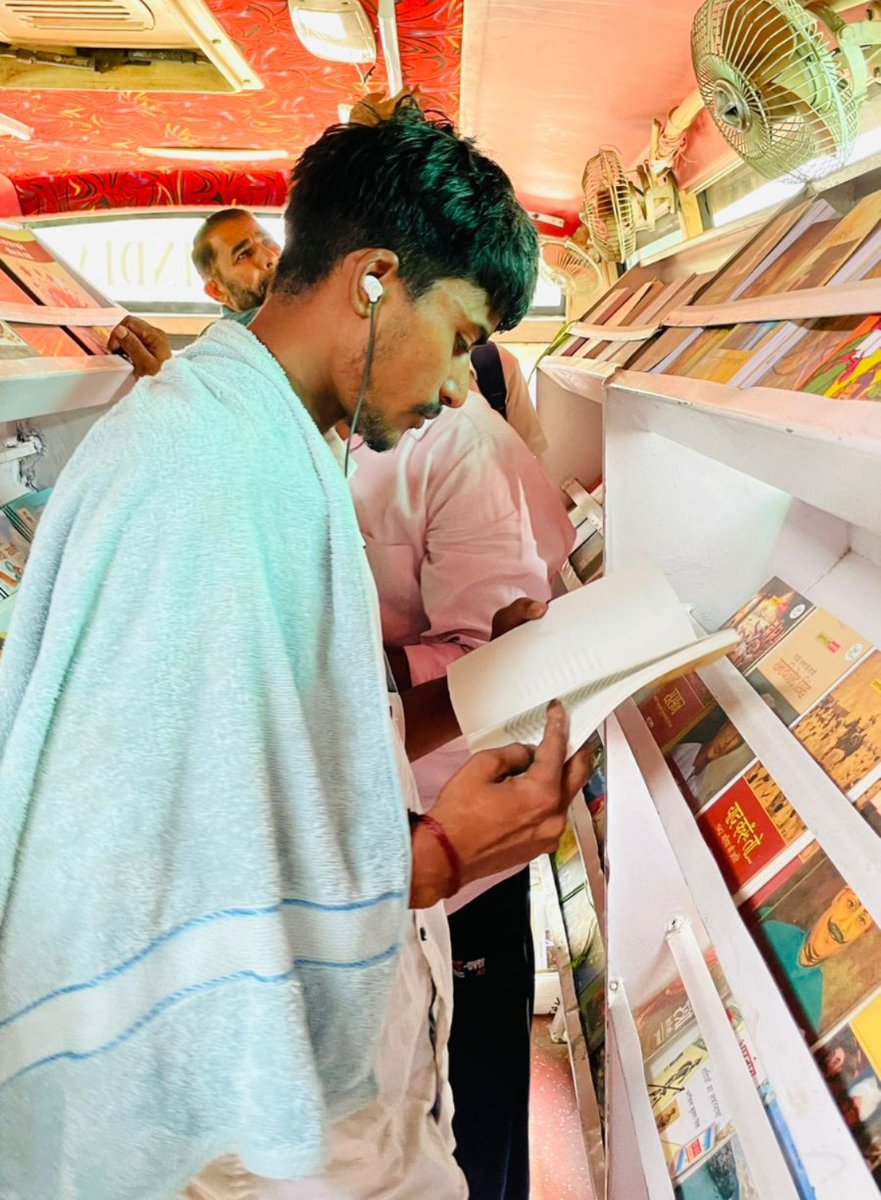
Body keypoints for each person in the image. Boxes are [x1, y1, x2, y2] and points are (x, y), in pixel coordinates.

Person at [0, 103, 591, 1200]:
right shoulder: (211, 479)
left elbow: (280, 746)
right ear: (372, 278)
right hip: (246, 1131)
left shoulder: (263, 437)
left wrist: (475, 691)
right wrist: (442, 859)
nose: (464, 386)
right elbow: (152, 871)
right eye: (460, 336)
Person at [346, 371, 574, 1200]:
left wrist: (358, 675)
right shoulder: (330, 436)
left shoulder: (465, 450)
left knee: (469, 1110)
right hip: (411, 843)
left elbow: (474, 645)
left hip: (451, 837)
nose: (448, 376)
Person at [760, 886, 874, 1033]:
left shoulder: (811, 1008)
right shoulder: (771, 930)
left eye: (861, 921)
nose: (844, 926)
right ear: (839, 896)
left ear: (860, 935)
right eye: (851, 905)